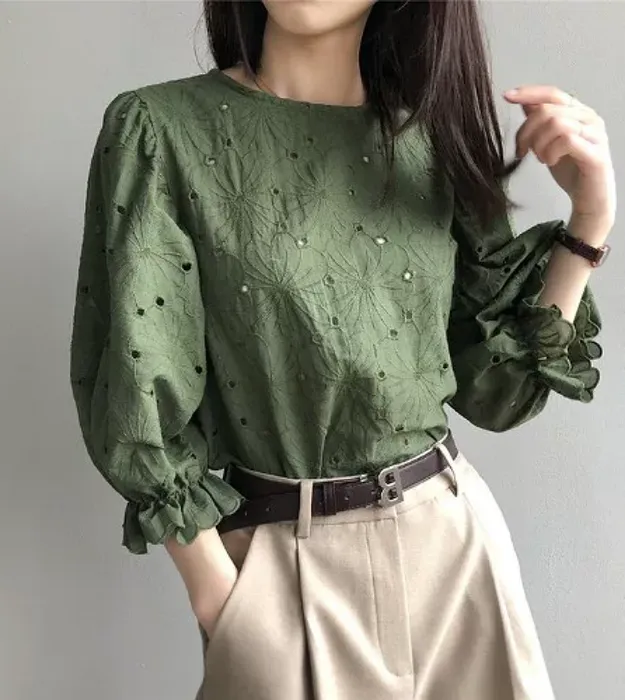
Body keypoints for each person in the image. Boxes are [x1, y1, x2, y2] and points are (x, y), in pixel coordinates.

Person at [69, 1, 615, 698]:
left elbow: (497, 394)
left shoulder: (433, 140)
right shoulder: (160, 130)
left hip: (454, 557)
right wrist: (224, 601)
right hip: (280, 564)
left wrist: (589, 221)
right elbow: (136, 381)